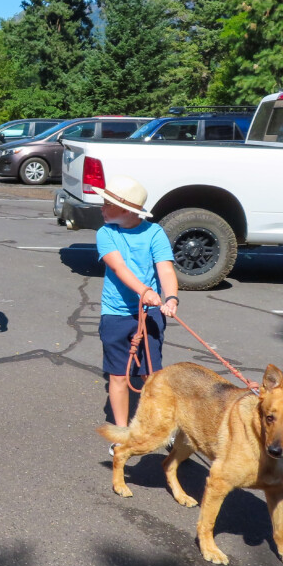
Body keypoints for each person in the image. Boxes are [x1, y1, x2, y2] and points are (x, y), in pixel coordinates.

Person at [94, 175, 179, 455]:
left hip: (151, 314)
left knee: (152, 377)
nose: (102, 208)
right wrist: (144, 291)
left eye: (108, 204)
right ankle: (122, 434)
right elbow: (119, 268)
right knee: (118, 376)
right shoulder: (106, 233)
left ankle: (161, 430)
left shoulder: (154, 233)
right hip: (116, 314)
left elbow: (165, 269)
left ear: (128, 210)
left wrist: (171, 298)